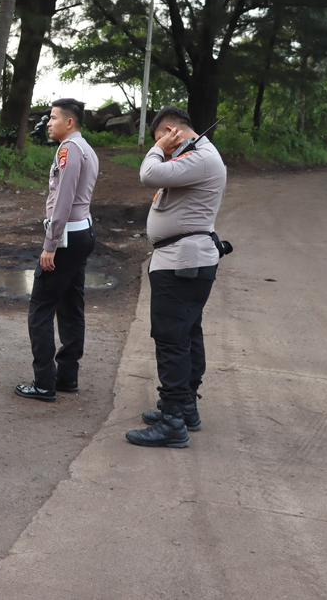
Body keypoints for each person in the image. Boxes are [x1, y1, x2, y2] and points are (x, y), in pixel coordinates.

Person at [126, 107, 227, 449]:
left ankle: (172, 422)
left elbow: (149, 174)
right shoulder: (198, 157)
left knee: (172, 340)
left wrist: (158, 148)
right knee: (186, 335)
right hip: (182, 261)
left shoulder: (201, 158)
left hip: (182, 264)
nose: (164, 149)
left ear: (173, 132)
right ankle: (184, 408)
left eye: (163, 139)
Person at [15, 98, 100, 403]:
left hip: (66, 237)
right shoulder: (86, 148)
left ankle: (43, 382)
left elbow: (63, 198)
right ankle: (67, 376)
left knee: (41, 308)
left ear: (69, 122)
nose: (48, 123)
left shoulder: (69, 149)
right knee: (71, 305)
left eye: (53, 118)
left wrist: (50, 243)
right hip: (82, 232)